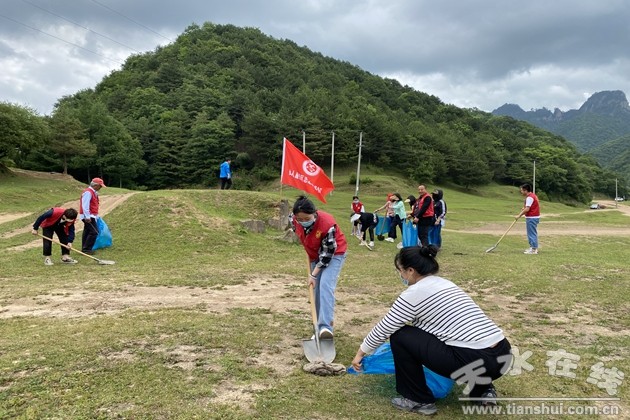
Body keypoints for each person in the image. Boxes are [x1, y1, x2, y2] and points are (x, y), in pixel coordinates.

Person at [351, 246, 512, 415]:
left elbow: (385, 327)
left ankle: (418, 400)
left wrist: (361, 353)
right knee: (461, 340)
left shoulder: (414, 293)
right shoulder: (446, 284)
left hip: (474, 360)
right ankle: (484, 390)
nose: (400, 275)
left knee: (401, 335)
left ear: (410, 271)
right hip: (503, 355)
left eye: (400, 271)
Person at [292, 195, 347, 339]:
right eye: (300, 219)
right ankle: (317, 327)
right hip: (314, 254)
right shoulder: (294, 220)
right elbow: (297, 229)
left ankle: (325, 328)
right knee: (315, 290)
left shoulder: (327, 224)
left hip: (334, 254)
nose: (303, 221)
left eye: (307, 218)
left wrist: (313, 274)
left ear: (314, 213)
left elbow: (327, 255)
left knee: (325, 286)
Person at [80, 177, 106, 255]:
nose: (100, 188)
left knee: (87, 231)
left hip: (91, 215)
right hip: (88, 216)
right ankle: (87, 249)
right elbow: (85, 205)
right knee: (95, 232)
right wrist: (87, 216)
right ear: (96, 185)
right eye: (100, 186)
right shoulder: (88, 192)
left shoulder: (93, 192)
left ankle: (84, 248)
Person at [516, 183, 540, 254]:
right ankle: (532, 247)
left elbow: (527, 209)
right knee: (531, 233)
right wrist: (524, 208)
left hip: (532, 217)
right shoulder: (533, 195)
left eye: (522, 190)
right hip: (533, 217)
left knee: (531, 233)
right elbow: (529, 206)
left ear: (525, 190)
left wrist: (519, 215)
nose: (521, 192)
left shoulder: (530, 197)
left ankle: (533, 249)